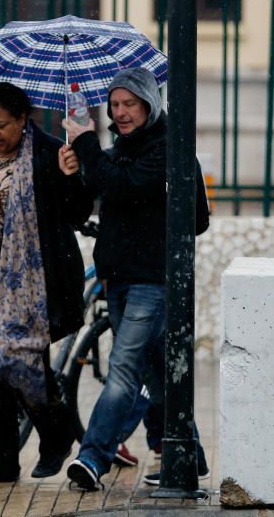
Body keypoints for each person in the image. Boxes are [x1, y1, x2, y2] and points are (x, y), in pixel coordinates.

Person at [63, 67, 210, 491]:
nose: (121, 112)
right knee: (154, 373)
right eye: (115, 104)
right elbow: (94, 196)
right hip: (119, 278)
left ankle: (92, 458)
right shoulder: (121, 149)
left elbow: (129, 188)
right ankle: (189, 456)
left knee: (124, 369)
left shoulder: (168, 149)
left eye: (130, 104)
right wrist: (74, 166)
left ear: (150, 104)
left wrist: (89, 143)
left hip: (152, 281)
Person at [0, 81, 94, 484]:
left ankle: (54, 430)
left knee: (21, 361)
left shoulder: (48, 152)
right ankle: (3, 461)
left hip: (33, 278)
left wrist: (71, 176)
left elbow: (77, 213)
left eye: (1, 125)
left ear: (23, 119)